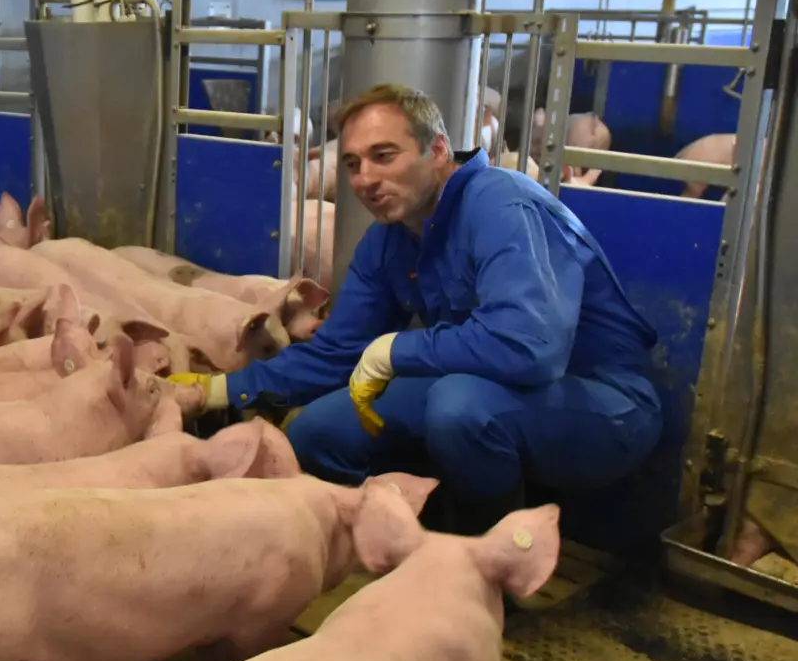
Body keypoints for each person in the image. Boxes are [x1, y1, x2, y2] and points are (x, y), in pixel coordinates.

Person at [172, 83, 663, 535]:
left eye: (384, 156)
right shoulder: (387, 242)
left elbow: (530, 347)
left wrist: (395, 350)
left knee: (460, 409)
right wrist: (212, 390)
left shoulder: (500, 205)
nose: (366, 179)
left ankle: (490, 567)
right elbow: (337, 353)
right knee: (317, 432)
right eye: (353, 164)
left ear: (438, 150)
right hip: (487, 391)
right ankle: (408, 533)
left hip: (602, 402)